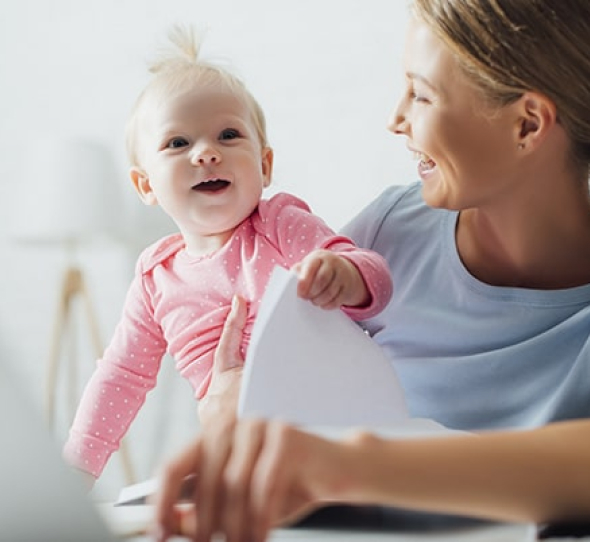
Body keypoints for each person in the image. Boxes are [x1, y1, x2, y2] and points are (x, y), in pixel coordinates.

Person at [152, 0, 590, 539]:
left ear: (527, 124)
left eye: (421, 93)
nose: (395, 119)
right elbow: (288, 399)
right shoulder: (384, 240)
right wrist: (236, 409)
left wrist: (344, 466)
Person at [62, 26, 393, 483]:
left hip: (337, 430)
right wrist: (77, 470)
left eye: (228, 135)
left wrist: (344, 274)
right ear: (145, 185)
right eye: (178, 143)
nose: (206, 153)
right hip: (245, 456)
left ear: (265, 164)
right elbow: (121, 376)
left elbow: (375, 276)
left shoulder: (278, 223)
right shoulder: (156, 277)